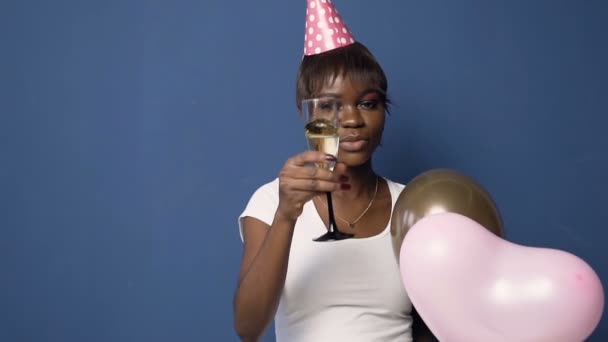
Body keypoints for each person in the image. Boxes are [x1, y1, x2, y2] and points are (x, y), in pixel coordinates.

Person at [233, 1, 436, 341]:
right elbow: (248, 327)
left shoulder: (412, 204)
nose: (353, 119)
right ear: (306, 115)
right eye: (330, 105)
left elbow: (440, 319)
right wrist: (286, 215)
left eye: (367, 103)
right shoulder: (271, 201)